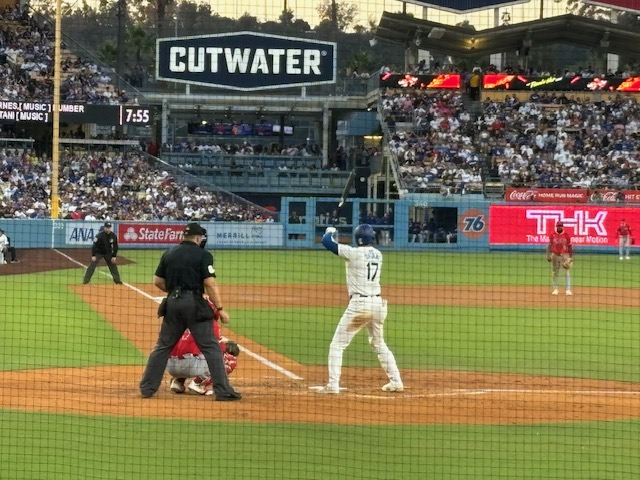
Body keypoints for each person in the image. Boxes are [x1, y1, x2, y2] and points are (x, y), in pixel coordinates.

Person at [139, 222, 241, 401]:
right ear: (198, 238)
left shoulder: (169, 253)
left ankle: (147, 388)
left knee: (162, 346)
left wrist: (173, 293)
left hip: (172, 303)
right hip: (194, 304)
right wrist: (220, 309)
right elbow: (210, 283)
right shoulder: (203, 255)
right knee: (211, 347)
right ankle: (223, 391)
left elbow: (157, 281)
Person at [314, 224, 403, 394]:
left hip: (359, 307)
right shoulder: (378, 254)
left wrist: (330, 230)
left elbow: (327, 242)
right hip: (378, 305)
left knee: (337, 345)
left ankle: (333, 385)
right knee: (379, 344)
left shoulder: (353, 253)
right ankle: (396, 381)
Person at [167, 298, 240, 396]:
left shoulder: (182, 320)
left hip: (170, 366)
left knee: (193, 349)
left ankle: (178, 381)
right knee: (228, 359)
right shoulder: (210, 324)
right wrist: (230, 346)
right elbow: (219, 349)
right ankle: (199, 384)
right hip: (189, 365)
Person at [546, 221, 573, 296]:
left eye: (561, 226)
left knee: (566, 272)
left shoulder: (566, 235)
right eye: (558, 226)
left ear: (563, 227)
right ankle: (555, 289)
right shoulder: (552, 235)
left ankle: (568, 290)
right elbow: (550, 246)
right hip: (555, 255)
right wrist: (548, 255)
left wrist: (571, 257)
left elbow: (570, 246)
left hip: (564, 255)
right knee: (555, 272)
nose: (559, 227)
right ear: (556, 226)